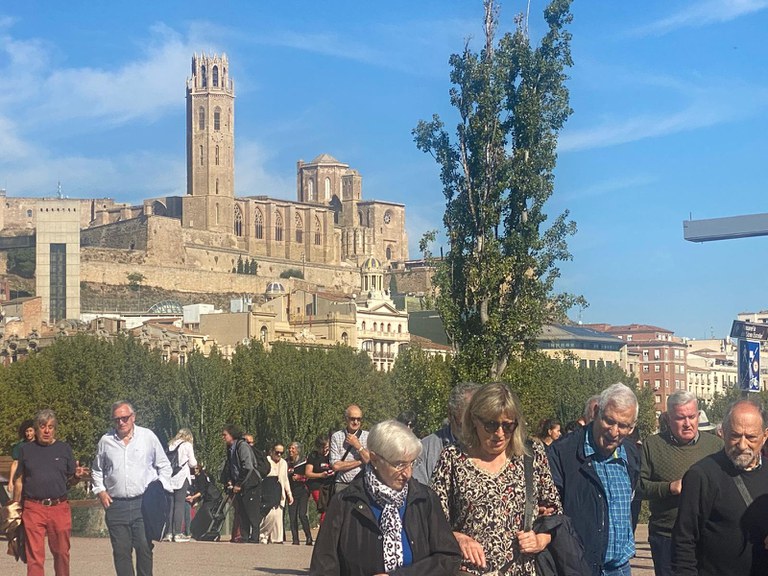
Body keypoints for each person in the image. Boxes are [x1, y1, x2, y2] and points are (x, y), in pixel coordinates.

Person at [431, 382, 562, 575]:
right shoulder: (453, 458)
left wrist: (540, 540)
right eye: (491, 425)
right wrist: (459, 538)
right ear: (474, 420)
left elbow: (554, 512)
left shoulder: (531, 454)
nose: (499, 434)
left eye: (508, 426)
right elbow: (432, 519)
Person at [310, 419, 461, 576]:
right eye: (399, 464)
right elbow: (323, 568)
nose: (408, 473)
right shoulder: (345, 503)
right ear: (375, 459)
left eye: (411, 463)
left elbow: (448, 558)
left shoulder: (424, 499)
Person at [548, 383, 640, 576]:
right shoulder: (563, 453)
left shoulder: (631, 455)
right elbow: (551, 515)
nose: (614, 432)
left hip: (620, 568)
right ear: (596, 412)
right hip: (578, 568)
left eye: (623, 426)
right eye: (609, 421)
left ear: (632, 428)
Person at [671, 399, 768, 576]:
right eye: (735, 435)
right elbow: (683, 542)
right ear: (723, 432)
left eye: (751, 437)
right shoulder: (701, 475)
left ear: (765, 435)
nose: (742, 445)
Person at [640, 391, 722, 576]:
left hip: (707, 535)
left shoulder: (716, 446)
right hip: (666, 536)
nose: (687, 423)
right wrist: (669, 488)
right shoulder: (652, 445)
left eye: (692, 417)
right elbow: (638, 487)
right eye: (680, 418)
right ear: (668, 418)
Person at [91, 401, 172, 576]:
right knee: (121, 552)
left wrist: (160, 488)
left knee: (144, 547)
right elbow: (96, 470)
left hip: (143, 503)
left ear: (133, 417)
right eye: (117, 419)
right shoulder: (106, 441)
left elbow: (164, 465)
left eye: (124, 418)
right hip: (116, 505)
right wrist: (100, 491)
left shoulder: (148, 437)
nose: (121, 423)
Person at [12, 409, 87, 576]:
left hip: (59, 507)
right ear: (36, 428)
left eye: (51, 427)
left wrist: (76, 476)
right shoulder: (26, 450)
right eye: (43, 426)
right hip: (33, 508)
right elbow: (19, 480)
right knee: (35, 558)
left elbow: (71, 481)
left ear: (55, 429)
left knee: (61, 553)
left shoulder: (64, 449)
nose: (47, 430)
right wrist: (15, 507)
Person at [412, 382, 479, 485]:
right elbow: (418, 493)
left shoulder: (493, 446)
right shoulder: (426, 450)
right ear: (450, 414)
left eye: (476, 423)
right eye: (464, 424)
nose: (470, 429)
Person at [220, 424, 262, 544]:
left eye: (225, 435)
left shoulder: (242, 446)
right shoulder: (230, 448)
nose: (223, 437)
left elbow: (247, 467)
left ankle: (254, 537)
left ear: (232, 435)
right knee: (242, 511)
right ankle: (244, 536)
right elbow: (231, 466)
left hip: (251, 482)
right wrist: (230, 480)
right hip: (239, 482)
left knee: (252, 511)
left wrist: (239, 483)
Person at [163, 428, 197, 543]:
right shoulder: (187, 445)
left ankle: (169, 533)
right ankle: (178, 533)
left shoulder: (170, 444)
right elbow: (193, 463)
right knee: (179, 504)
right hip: (181, 477)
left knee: (170, 505)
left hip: (170, 477)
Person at [330, 404, 370, 492]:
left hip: (362, 485)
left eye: (358, 419)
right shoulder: (336, 437)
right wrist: (360, 461)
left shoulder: (367, 436)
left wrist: (358, 446)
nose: (356, 422)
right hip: (342, 485)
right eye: (352, 419)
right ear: (346, 419)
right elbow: (336, 466)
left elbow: (369, 461)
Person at [259, 443, 293, 544]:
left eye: (281, 453)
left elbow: (285, 479)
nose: (279, 455)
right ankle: (263, 534)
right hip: (268, 492)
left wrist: (289, 494)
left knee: (278, 518)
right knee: (270, 515)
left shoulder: (284, 463)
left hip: (280, 493)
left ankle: (277, 539)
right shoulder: (267, 460)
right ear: (272, 452)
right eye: (277, 452)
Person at [286, 441, 313, 545]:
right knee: (292, 517)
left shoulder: (304, 462)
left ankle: (309, 537)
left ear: (298, 450)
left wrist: (300, 477)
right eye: (290, 448)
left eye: (293, 448)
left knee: (302, 514)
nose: (291, 450)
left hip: (302, 491)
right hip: (291, 492)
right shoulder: (286, 462)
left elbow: (309, 476)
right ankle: (295, 539)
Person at [304, 435, 334, 524]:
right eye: (322, 448)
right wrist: (321, 475)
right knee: (324, 508)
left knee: (331, 508)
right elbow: (308, 473)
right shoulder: (313, 456)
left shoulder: (332, 455)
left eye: (327, 447)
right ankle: (323, 529)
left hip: (330, 485)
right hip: (317, 486)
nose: (325, 450)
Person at [8, 419, 35, 501]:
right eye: (27, 431)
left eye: (31, 431)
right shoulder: (20, 446)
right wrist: (10, 481)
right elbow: (15, 462)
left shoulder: (40, 445)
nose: (29, 433)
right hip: (22, 476)